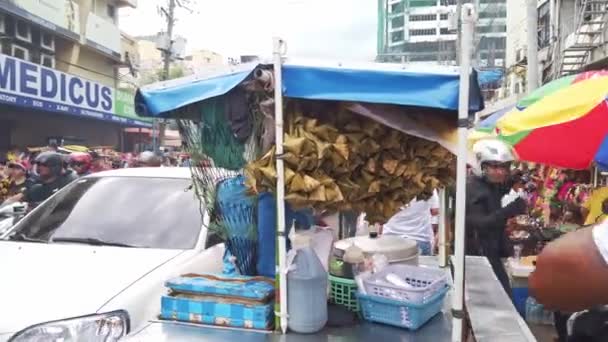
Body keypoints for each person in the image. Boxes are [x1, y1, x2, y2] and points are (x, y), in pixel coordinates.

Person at [466, 139, 527, 297]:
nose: (500, 172)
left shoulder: (490, 185)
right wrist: (510, 210)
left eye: (504, 167)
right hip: (478, 257)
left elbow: (498, 191)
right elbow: (480, 223)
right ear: (481, 166)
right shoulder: (473, 188)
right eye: (494, 166)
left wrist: (514, 178)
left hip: (491, 253)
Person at [6, 152, 78, 205]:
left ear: (55, 166)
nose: (39, 167)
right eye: (38, 164)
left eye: (44, 164)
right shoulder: (37, 189)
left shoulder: (69, 181)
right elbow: (16, 200)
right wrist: (6, 207)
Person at [383, 189, 439, 256]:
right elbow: (435, 211)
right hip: (419, 239)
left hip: (390, 239)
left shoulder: (387, 184)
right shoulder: (428, 184)